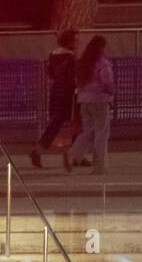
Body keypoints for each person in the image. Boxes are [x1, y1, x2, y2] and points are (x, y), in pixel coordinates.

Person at [30, 29, 77, 170]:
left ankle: (38, 149)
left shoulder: (53, 54)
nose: (77, 42)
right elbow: (72, 76)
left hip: (56, 90)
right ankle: (75, 154)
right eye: (75, 40)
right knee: (77, 123)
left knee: (55, 123)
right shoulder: (71, 56)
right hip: (68, 92)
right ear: (69, 41)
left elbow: (50, 72)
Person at [68, 36, 115, 175]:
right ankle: (99, 166)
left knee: (88, 132)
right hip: (100, 100)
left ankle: (72, 153)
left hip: (84, 101)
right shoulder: (102, 64)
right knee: (101, 133)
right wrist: (111, 93)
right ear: (101, 48)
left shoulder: (82, 63)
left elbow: (77, 82)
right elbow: (107, 82)